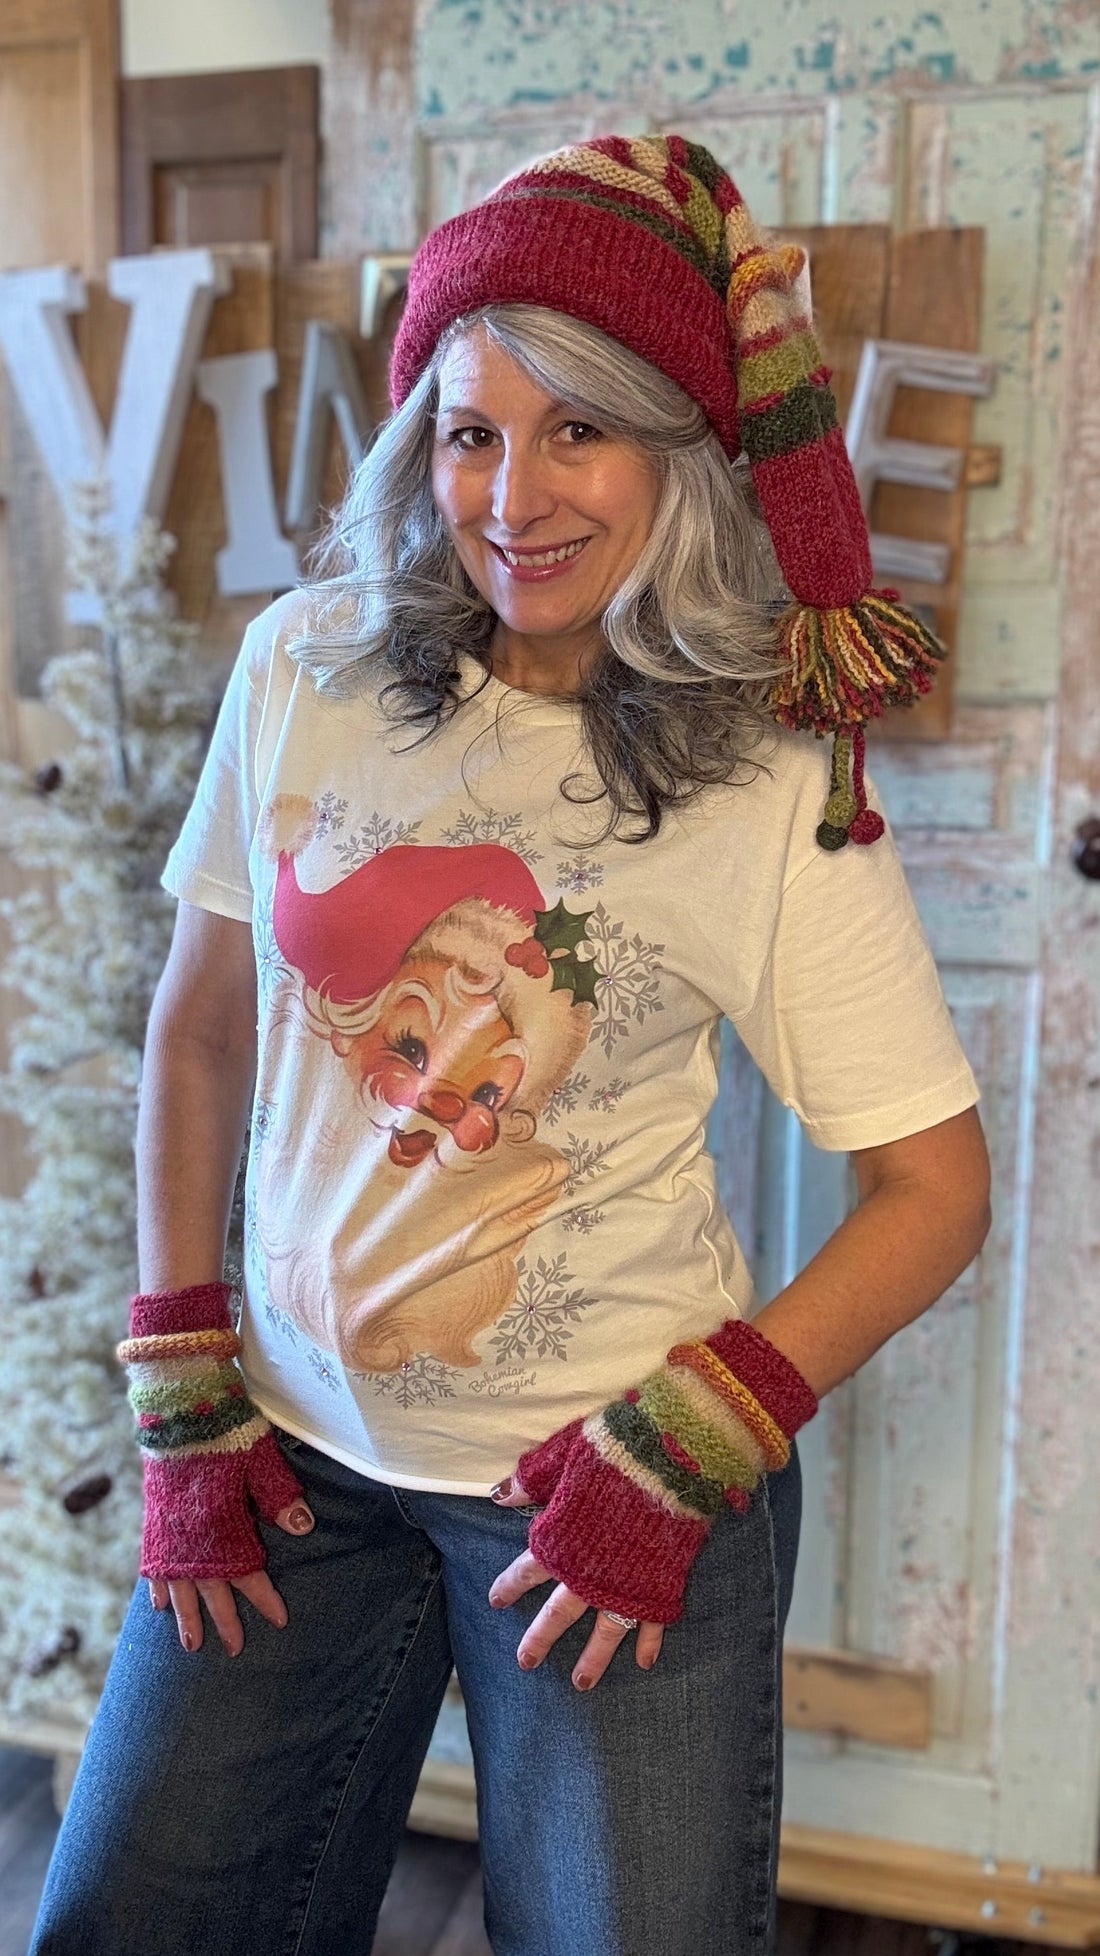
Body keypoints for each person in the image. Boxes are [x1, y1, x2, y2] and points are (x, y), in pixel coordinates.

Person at [32, 135, 990, 1956]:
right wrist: (181, 1377)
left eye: (582, 431)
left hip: (601, 1491)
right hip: (286, 1452)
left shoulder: (767, 773)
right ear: (421, 441)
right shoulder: (306, 666)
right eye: (473, 431)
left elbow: (935, 1188)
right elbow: (204, 1027)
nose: (515, 495)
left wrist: (694, 1440)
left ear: (677, 456)